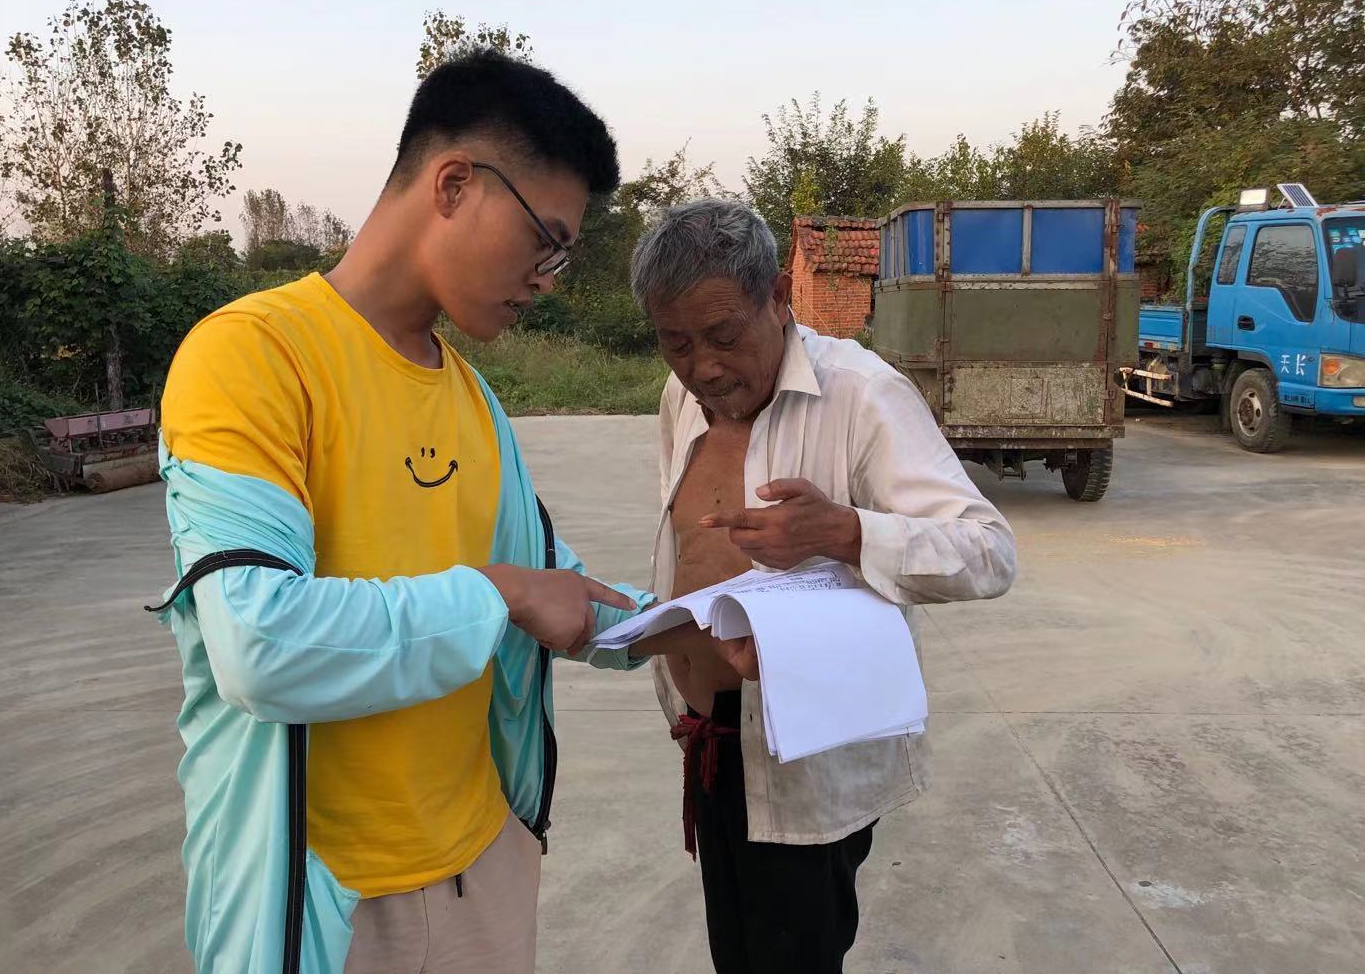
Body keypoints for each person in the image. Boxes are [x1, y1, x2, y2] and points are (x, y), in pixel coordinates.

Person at [155, 51, 681, 974]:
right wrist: (498, 595)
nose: (547, 277)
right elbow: (258, 644)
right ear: (454, 185)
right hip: (324, 907)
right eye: (545, 241)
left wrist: (696, 623)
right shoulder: (253, 357)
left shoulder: (474, 401)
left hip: (484, 872)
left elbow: (553, 587)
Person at [629, 198, 1018, 974]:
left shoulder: (862, 393)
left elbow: (988, 552)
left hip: (807, 754)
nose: (703, 368)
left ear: (779, 296)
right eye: (677, 343)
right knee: (738, 957)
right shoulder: (682, 400)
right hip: (710, 743)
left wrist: (843, 531)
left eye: (724, 336)